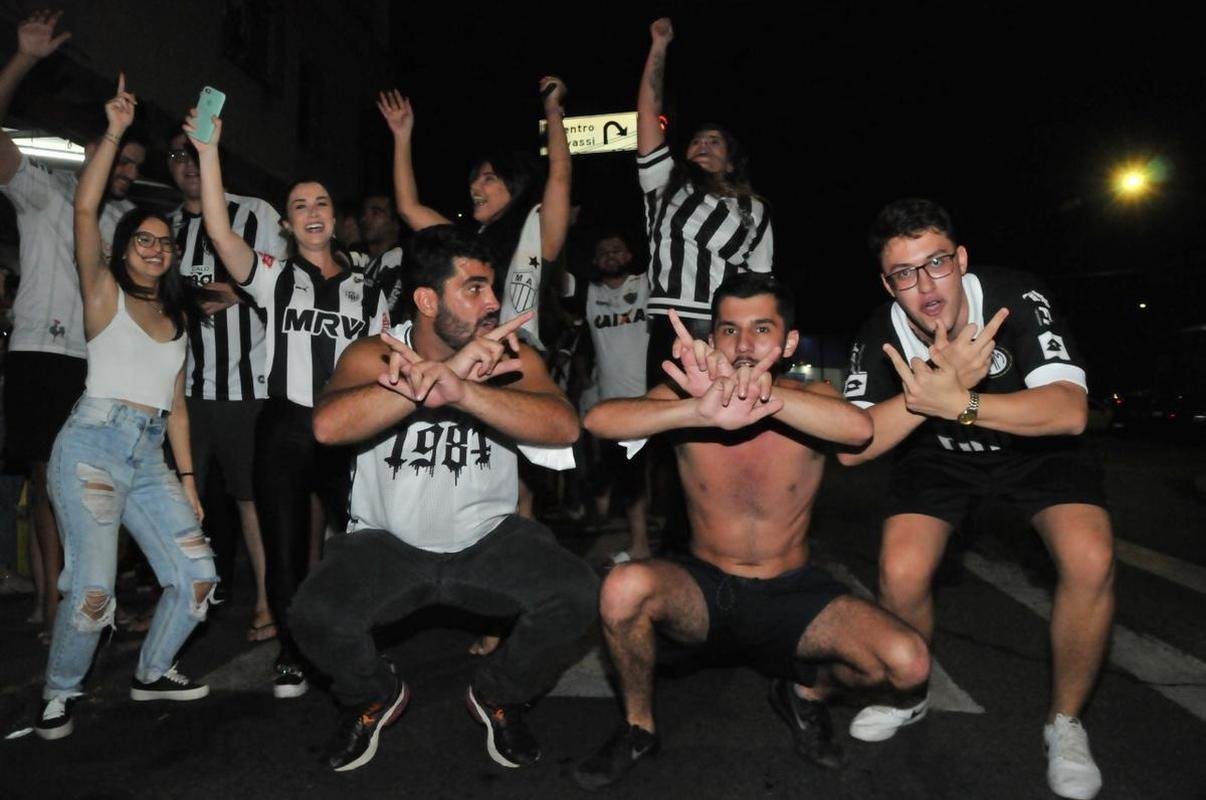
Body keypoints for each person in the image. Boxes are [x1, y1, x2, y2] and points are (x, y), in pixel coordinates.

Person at [574, 274, 929, 789]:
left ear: (787, 342)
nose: (743, 345)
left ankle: (805, 693)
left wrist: (769, 399)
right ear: (712, 338)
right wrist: (695, 408)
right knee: (621, 587)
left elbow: (859, 430)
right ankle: (637, 726)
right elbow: (601, 421)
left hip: (792, 595)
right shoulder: (689, 391)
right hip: (703, 588)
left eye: (761, 329)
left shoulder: (812, 395)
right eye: (728, 330)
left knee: (909, 664)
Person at [290, 224, 597, 772]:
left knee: (575, 594)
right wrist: (439, 379)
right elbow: (328, 427)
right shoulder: (375, 354)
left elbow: (564, 427)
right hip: (386, 544)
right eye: (475, 288)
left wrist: (464, 391)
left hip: (488, 541)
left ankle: (499, 693)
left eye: (492, 288)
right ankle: (372, 694)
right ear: (428, 300)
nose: (494, 302)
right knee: (313, 614)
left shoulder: (512, 356)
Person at [839, 198, 1113, 800]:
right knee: (900, 568)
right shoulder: (881, 333)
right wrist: (929, 398)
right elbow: (852, 449)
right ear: (888, 283)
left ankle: (1065, 722)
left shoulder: (1017, 295)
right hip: (939, 455)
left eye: (936, 263)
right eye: (904, 274)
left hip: (1032, 447)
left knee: (1089, 557)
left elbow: (1069, 414)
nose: (924, 284)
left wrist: (960, 401)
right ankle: (909, 695)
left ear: (960, 260)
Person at [36, 75, 216, 741]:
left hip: (150, 459)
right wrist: (113, 133)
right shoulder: (101, 293)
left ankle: (151, 669)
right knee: (93, 594)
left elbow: (178, 409)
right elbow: (83, 213)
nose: (154, 247)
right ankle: (59, 690)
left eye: (162, 242)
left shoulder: (175, 319)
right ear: (124, 249)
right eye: (142, 239)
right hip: (92, 448)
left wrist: (191, 482)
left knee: (197, 577)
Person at [187, 105, 388, 699]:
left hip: (350, 428)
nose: (311, 213)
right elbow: (221, 232)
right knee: (281, 547)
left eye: (320, 203)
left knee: (364, 539)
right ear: (288, 223)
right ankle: (294, 654)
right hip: (283, 425)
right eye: (299, 205)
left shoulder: (367, 286)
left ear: (334, 216)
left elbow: (385, 360)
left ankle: (357, 636)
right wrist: (208, 152)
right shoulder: (271, 274)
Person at [0, 10, 144, 637]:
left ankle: (87, 599)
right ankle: (52, 608)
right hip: (37, 352)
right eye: (121, 158)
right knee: (44, 483)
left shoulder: (125, 223)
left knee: (89, 487)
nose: (127, 171)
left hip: (96, 367)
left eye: (137, 164)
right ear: (93, 149)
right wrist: (24, 59)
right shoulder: (43, 192)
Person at [165, 128, 286, 641]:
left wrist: (238, 289)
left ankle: (266, 600)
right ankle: (180, 604)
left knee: (250, 499)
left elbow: (282, 277)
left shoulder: (254, 212)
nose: (189, 164)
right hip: (185, 391)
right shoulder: (167, 226)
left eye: (197, 154)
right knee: (175, 501)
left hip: (246, 387)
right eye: (179, 156)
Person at [635, 17, 774, 387]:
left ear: (731, 160)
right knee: (668, 430)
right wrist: (659, 46)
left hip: (727, 327)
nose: (702, 145)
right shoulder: (664, 184)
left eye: (714, 141)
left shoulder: (754, 209)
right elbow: (647, 114)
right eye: (697, 141)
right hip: (671, 325)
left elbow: (760, 283)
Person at [583, 232, 651, 562]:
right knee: (629, 474)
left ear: (629, 255)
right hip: (612, 402)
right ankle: (640, 543)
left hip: (652, 399)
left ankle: (659, 541)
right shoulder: (590, 293)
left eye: (617, 249)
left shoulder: (646, 285)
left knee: (664, 472)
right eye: (603, 252)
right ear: (595, 262)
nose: (610, 255)